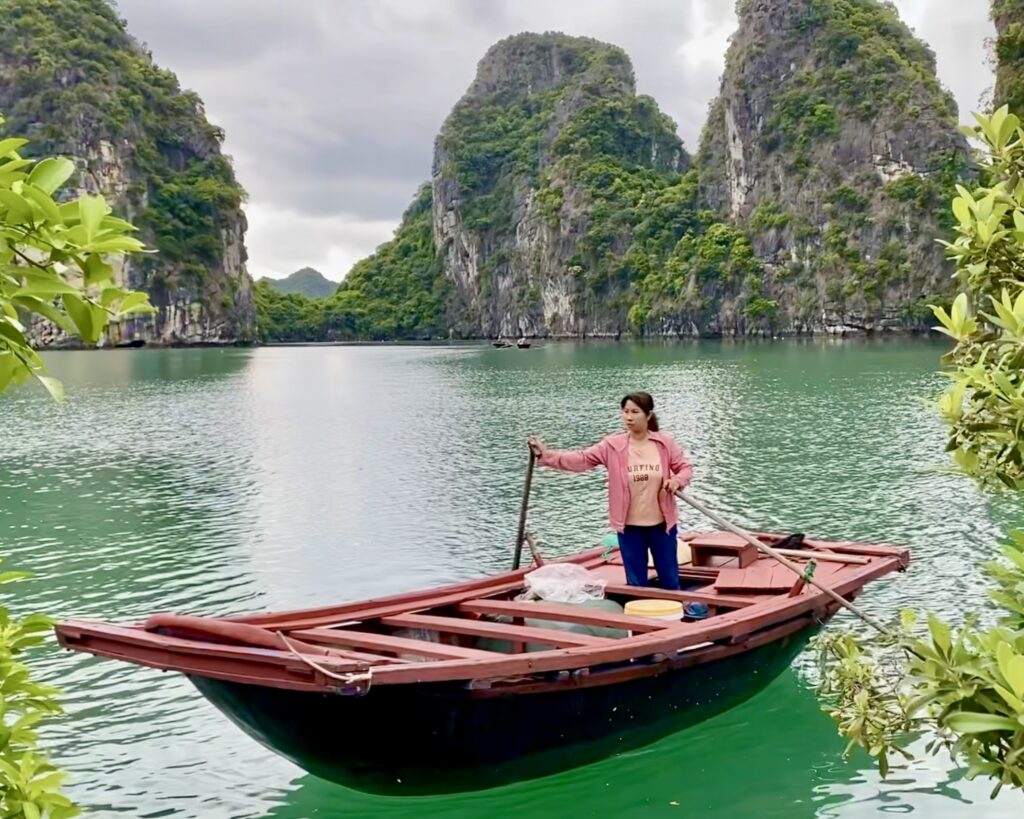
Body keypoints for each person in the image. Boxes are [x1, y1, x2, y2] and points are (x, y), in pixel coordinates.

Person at [527, 392, 692, 590]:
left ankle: (675, 618)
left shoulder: (664, 443)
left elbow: (685, 468)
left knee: (670, 579)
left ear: (648, 415)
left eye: (635, 412)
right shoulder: (612, 446)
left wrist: (676, 480)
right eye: (625, 412)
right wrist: (546, 455)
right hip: (630, 528)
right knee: (636, 584)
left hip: (662, 526)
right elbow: (581, 459)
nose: (629, 417)